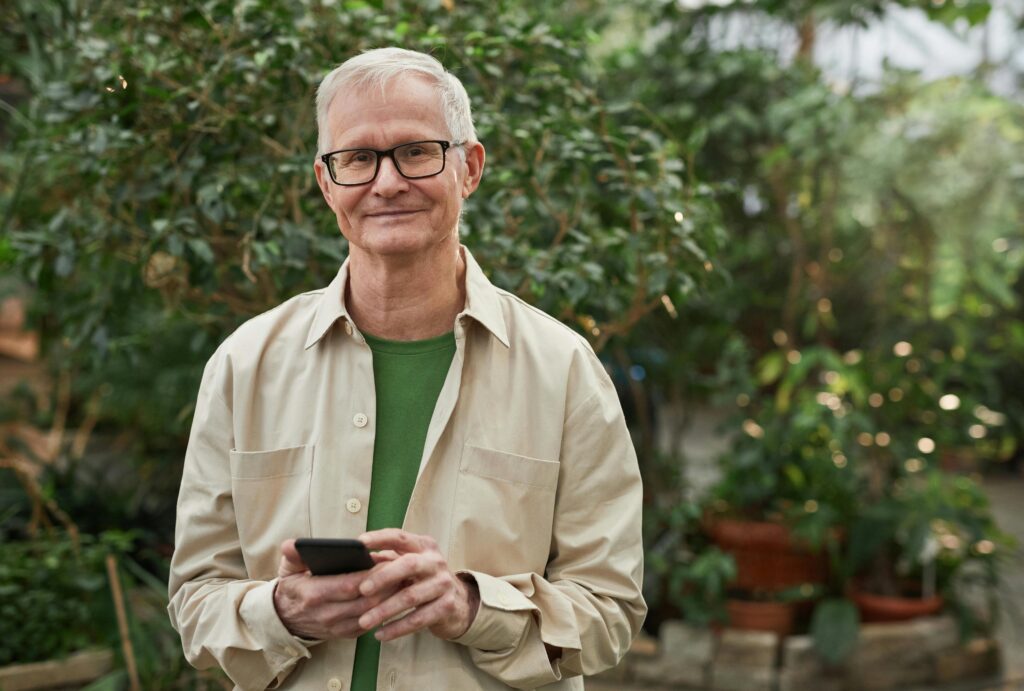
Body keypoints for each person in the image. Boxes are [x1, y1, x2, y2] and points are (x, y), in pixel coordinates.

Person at [168, 47, 645, 691]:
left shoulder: (564, 372)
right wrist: (280, 612)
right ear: (325, 182)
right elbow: (196, 600)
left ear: (468, 168)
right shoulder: (245, 365)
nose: (387, 183)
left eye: (416, 151)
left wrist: (473, 609)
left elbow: (610, 609)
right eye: (357, 159)